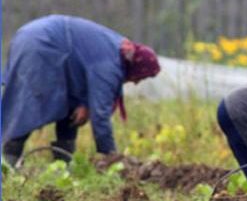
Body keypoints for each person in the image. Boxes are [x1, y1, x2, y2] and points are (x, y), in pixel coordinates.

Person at [2, 15, 160, 167]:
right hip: (42, 45)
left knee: (70, 109)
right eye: (141, 76)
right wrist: (112, 158)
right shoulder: (110, 65)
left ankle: (62, 167)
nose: (137, 82)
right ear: (137, 67)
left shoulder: (117, 50)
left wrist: (85, 103)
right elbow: (100, 116)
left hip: (40, 39)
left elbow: (83, 66)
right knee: (28, 107)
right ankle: (7, 166)